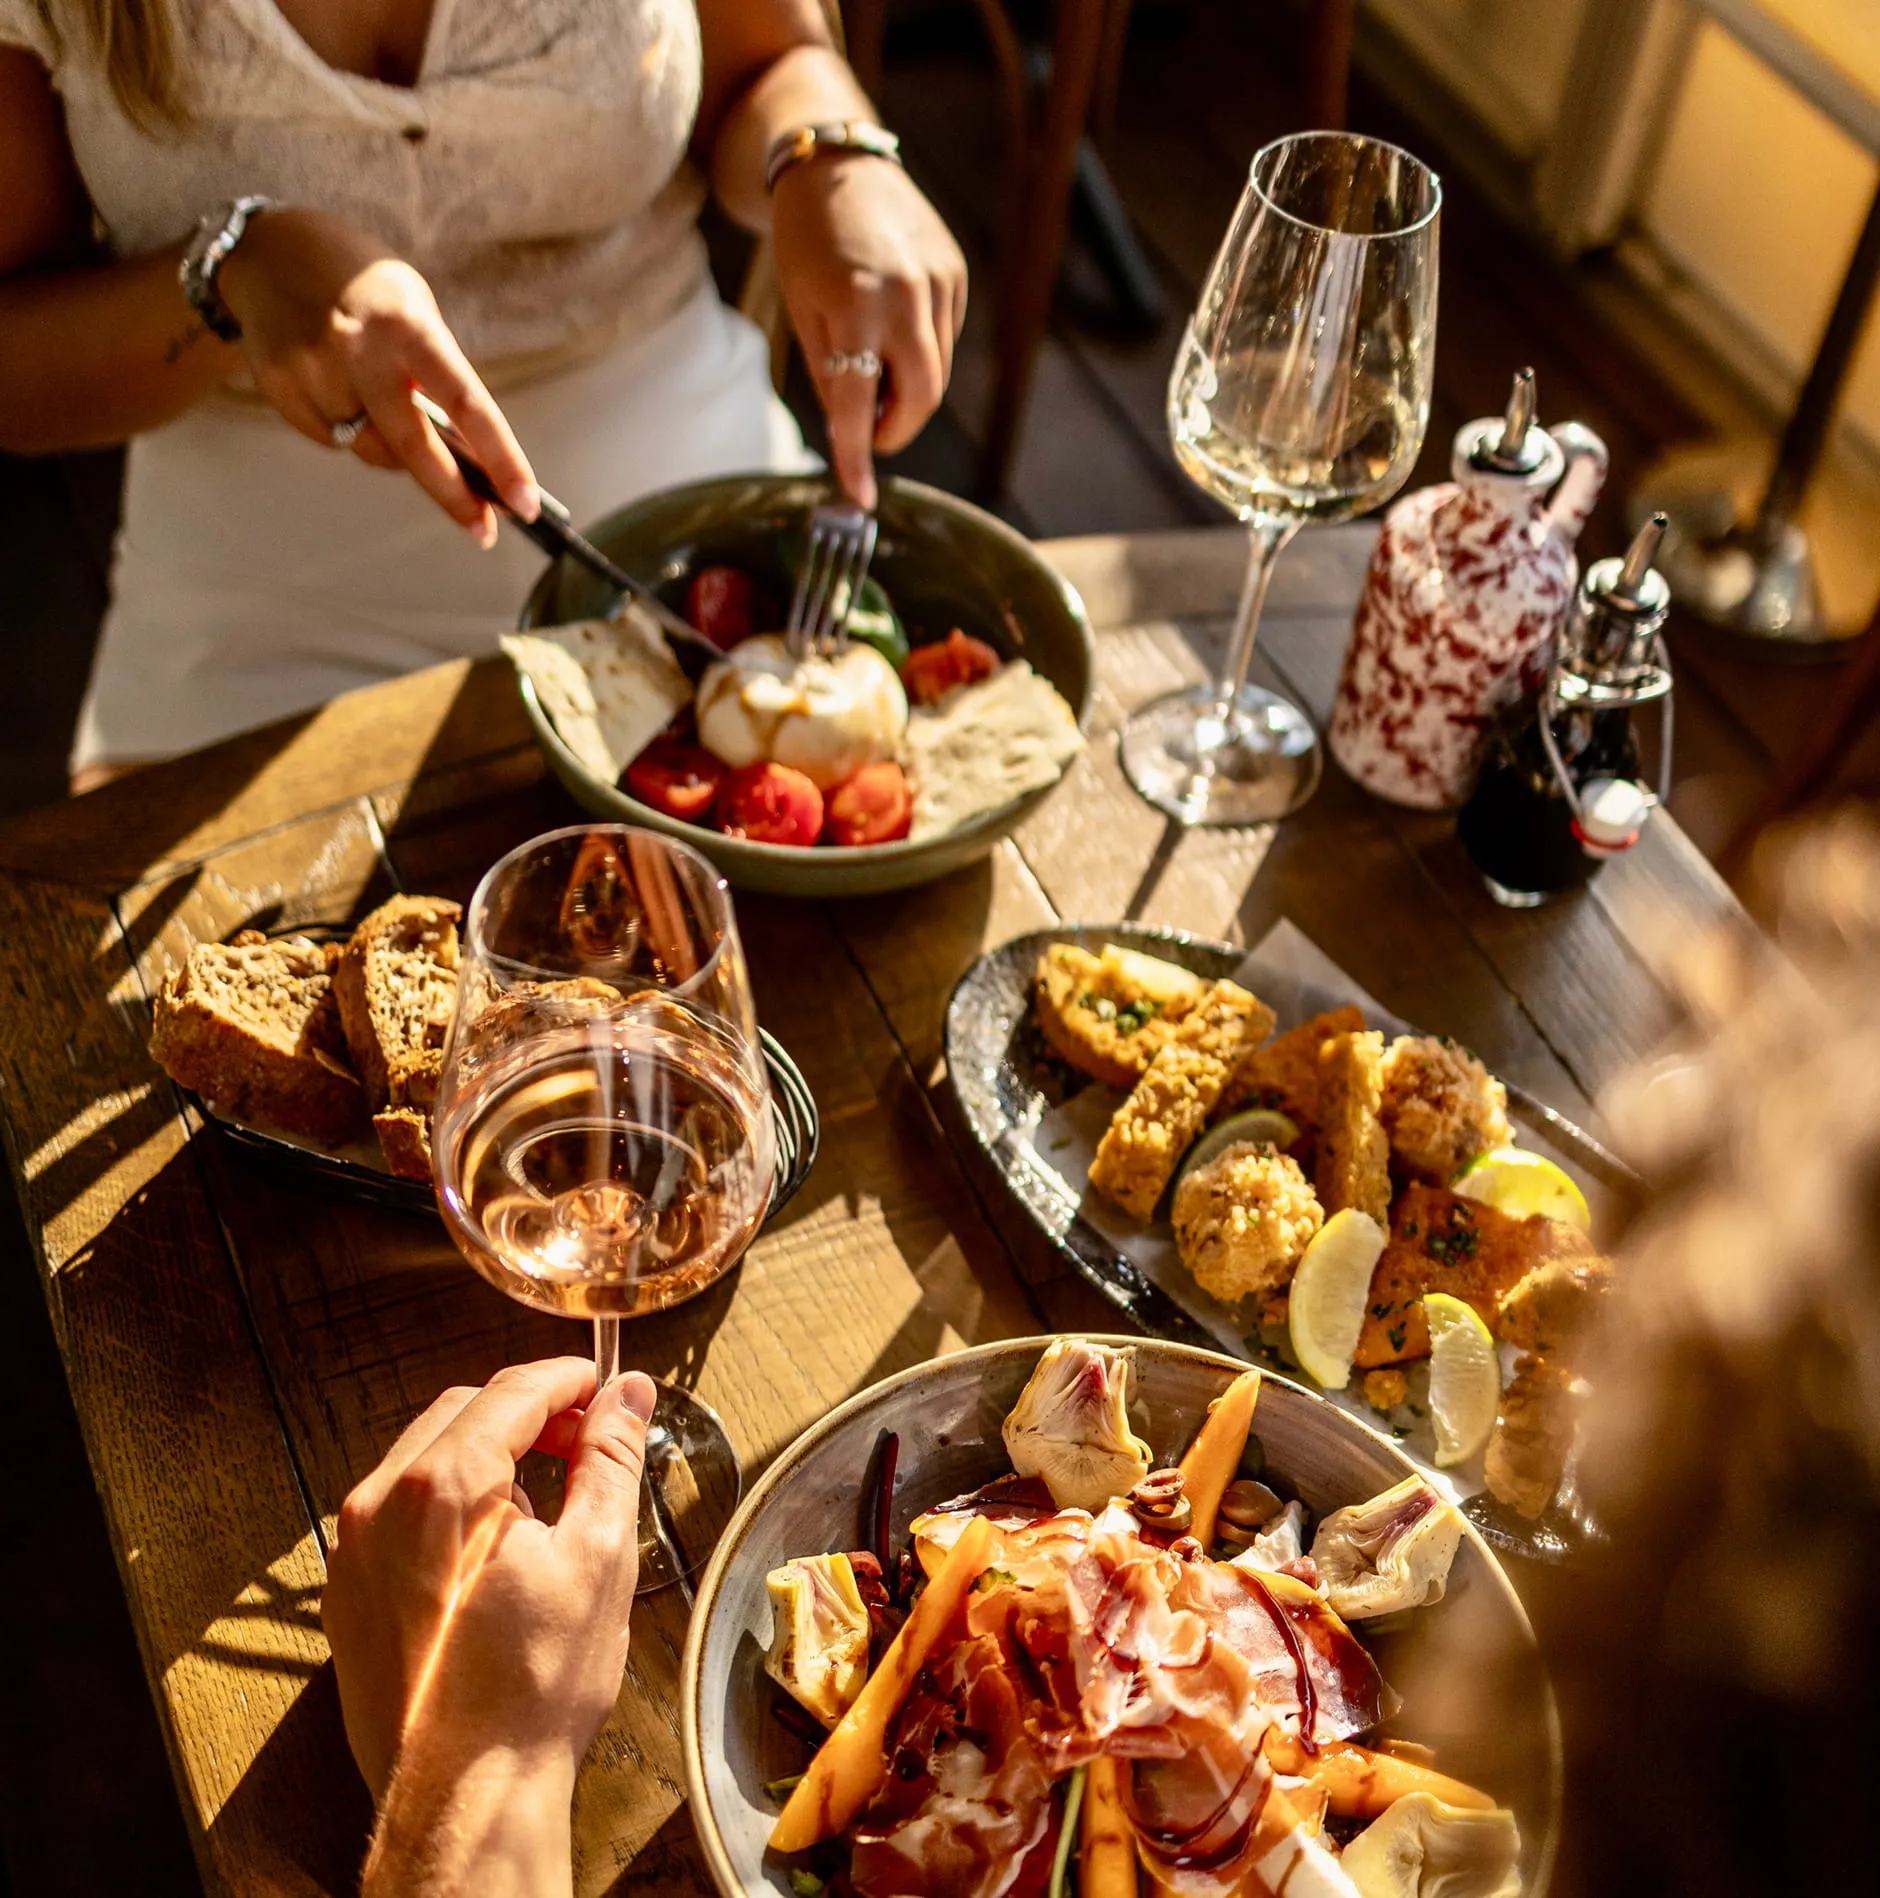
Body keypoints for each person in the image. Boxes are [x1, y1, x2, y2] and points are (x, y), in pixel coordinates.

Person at [0, 1, 966, 786]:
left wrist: (830, 158)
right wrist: (231, 275)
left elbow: (769, 66)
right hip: (259, 588)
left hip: (683, 536)